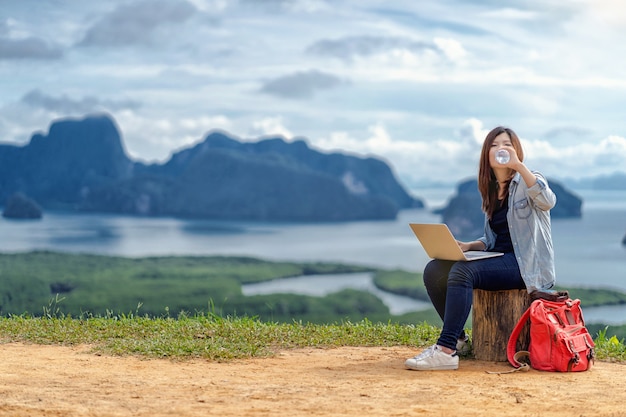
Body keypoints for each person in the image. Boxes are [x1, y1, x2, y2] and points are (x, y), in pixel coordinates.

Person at [405, 126, 557, 371]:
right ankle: (459, 340)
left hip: (526, 266)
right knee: (434, 270)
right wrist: (469, 246)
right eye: (494, 145)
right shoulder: (491, 188)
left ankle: (445, 351)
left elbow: (547, 202)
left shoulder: (530, 178)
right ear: (487, 153)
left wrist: (519, 166)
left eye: (506, 144)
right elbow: (491, 239)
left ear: (516, 150)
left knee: (463, 272)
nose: (500, 149)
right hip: (502, 258)